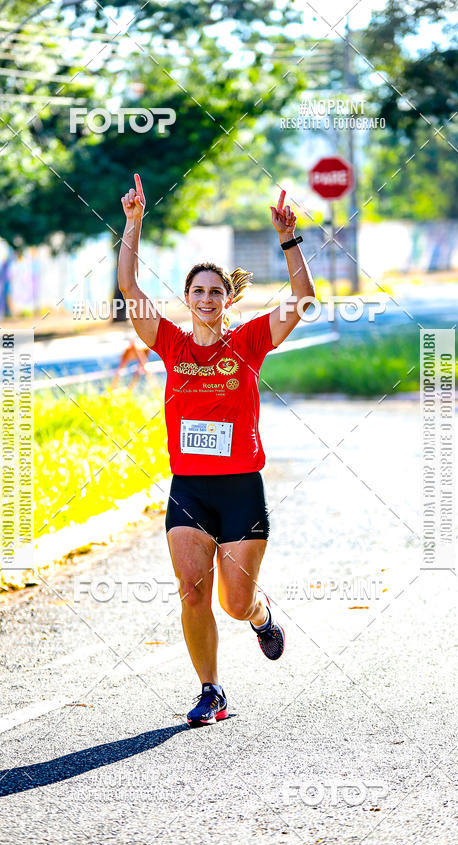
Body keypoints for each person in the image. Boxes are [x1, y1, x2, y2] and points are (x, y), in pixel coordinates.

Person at [118, 176, 316, 726]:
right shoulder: (171, 345)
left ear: (228, 299)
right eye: (198, 291)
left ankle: (260, 615)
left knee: (233, 602)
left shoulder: (249, 341)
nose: (206, 299)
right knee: (190, 590)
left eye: (215, 291)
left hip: (240, 491)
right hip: (189, 490)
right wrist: (133, 224)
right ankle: (212, 690)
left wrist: (288, 240)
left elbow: (302, 301)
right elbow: (130, 289)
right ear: (188, 298)